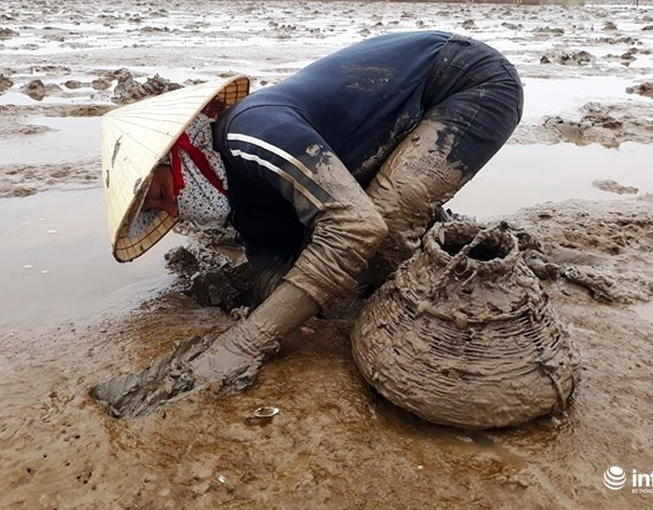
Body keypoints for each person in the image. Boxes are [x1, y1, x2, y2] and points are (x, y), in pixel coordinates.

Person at [138, 30, 523, 394]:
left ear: (179, 154)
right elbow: (274, 261)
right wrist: (305, 310)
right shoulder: (245, 198)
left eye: (158, 191)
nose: (171, 208)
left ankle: (452, 322)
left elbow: (356, 226)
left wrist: (246, 341)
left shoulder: (247, 129)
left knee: (386, 222)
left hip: (466, 80)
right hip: (398, 123)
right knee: (355, 243)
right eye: (156, 211)